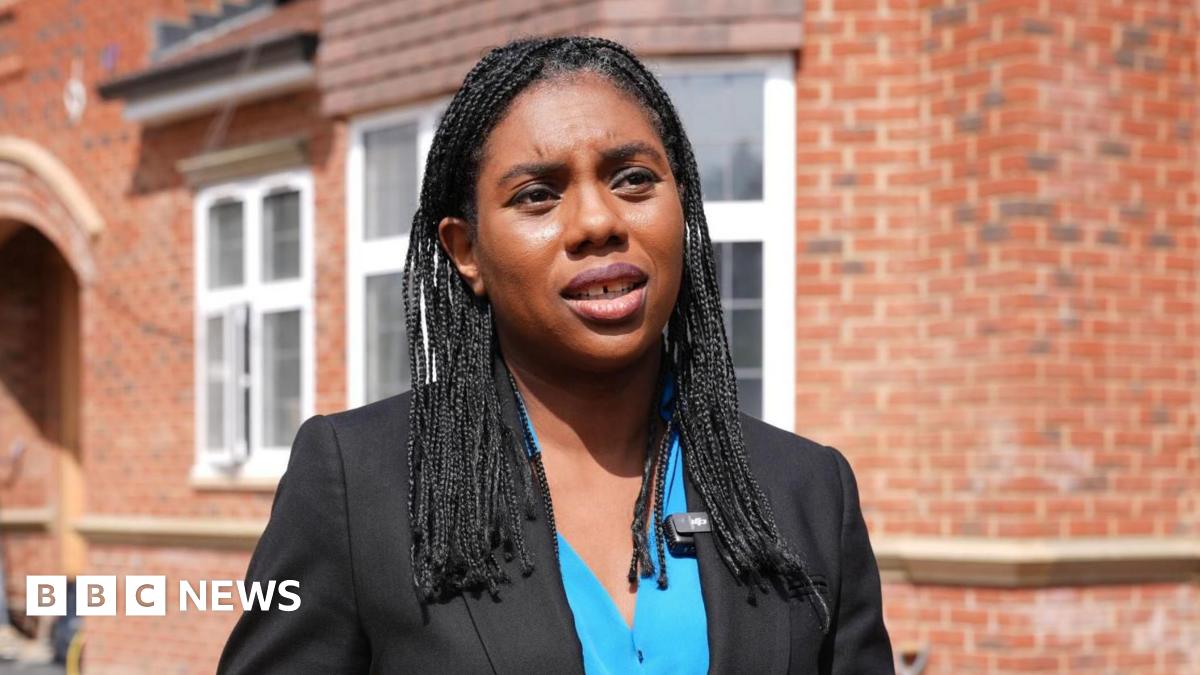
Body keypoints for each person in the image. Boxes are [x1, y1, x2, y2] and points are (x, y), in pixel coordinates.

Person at [218, 36, 893, 674]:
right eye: (537, 194)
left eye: (632, 178)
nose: (598, 221)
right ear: (465, 250)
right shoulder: (358, 483)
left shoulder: (806, 490)